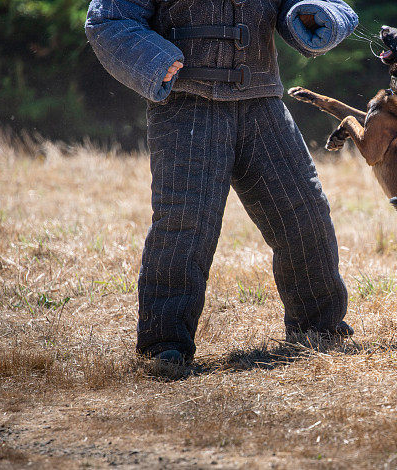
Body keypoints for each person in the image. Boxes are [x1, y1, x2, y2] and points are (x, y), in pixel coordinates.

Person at [85, 0, 358, 368]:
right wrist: (154, 61)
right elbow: (108, 20)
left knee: (303, 212)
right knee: (185, 225)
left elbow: (321, 5)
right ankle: (164, 345)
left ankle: (320, 330)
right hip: (186, 105)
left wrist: (314, 15)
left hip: (262, 102)